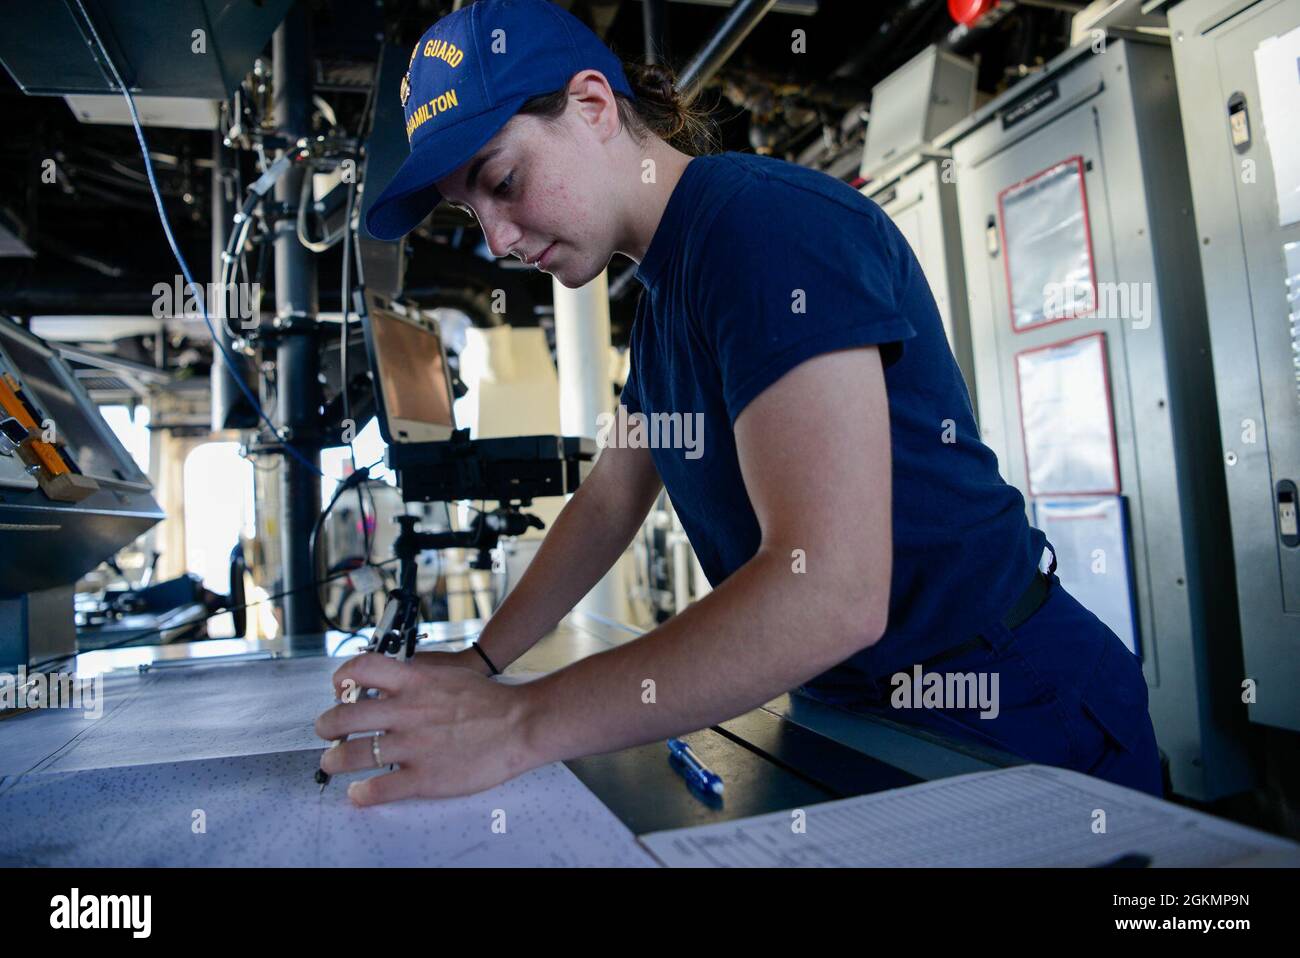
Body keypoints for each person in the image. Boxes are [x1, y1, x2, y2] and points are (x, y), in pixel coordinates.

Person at [316, 0, 1163, 805]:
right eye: (472, 209)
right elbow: (609, 500)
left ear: (592, 105)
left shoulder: (760, 232)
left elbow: (829, 591)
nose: (496, 240)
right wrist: (482, 662)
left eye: (503, 181)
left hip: (1010, 704)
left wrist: (520, 723)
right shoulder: (663, 301)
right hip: (859, 705)